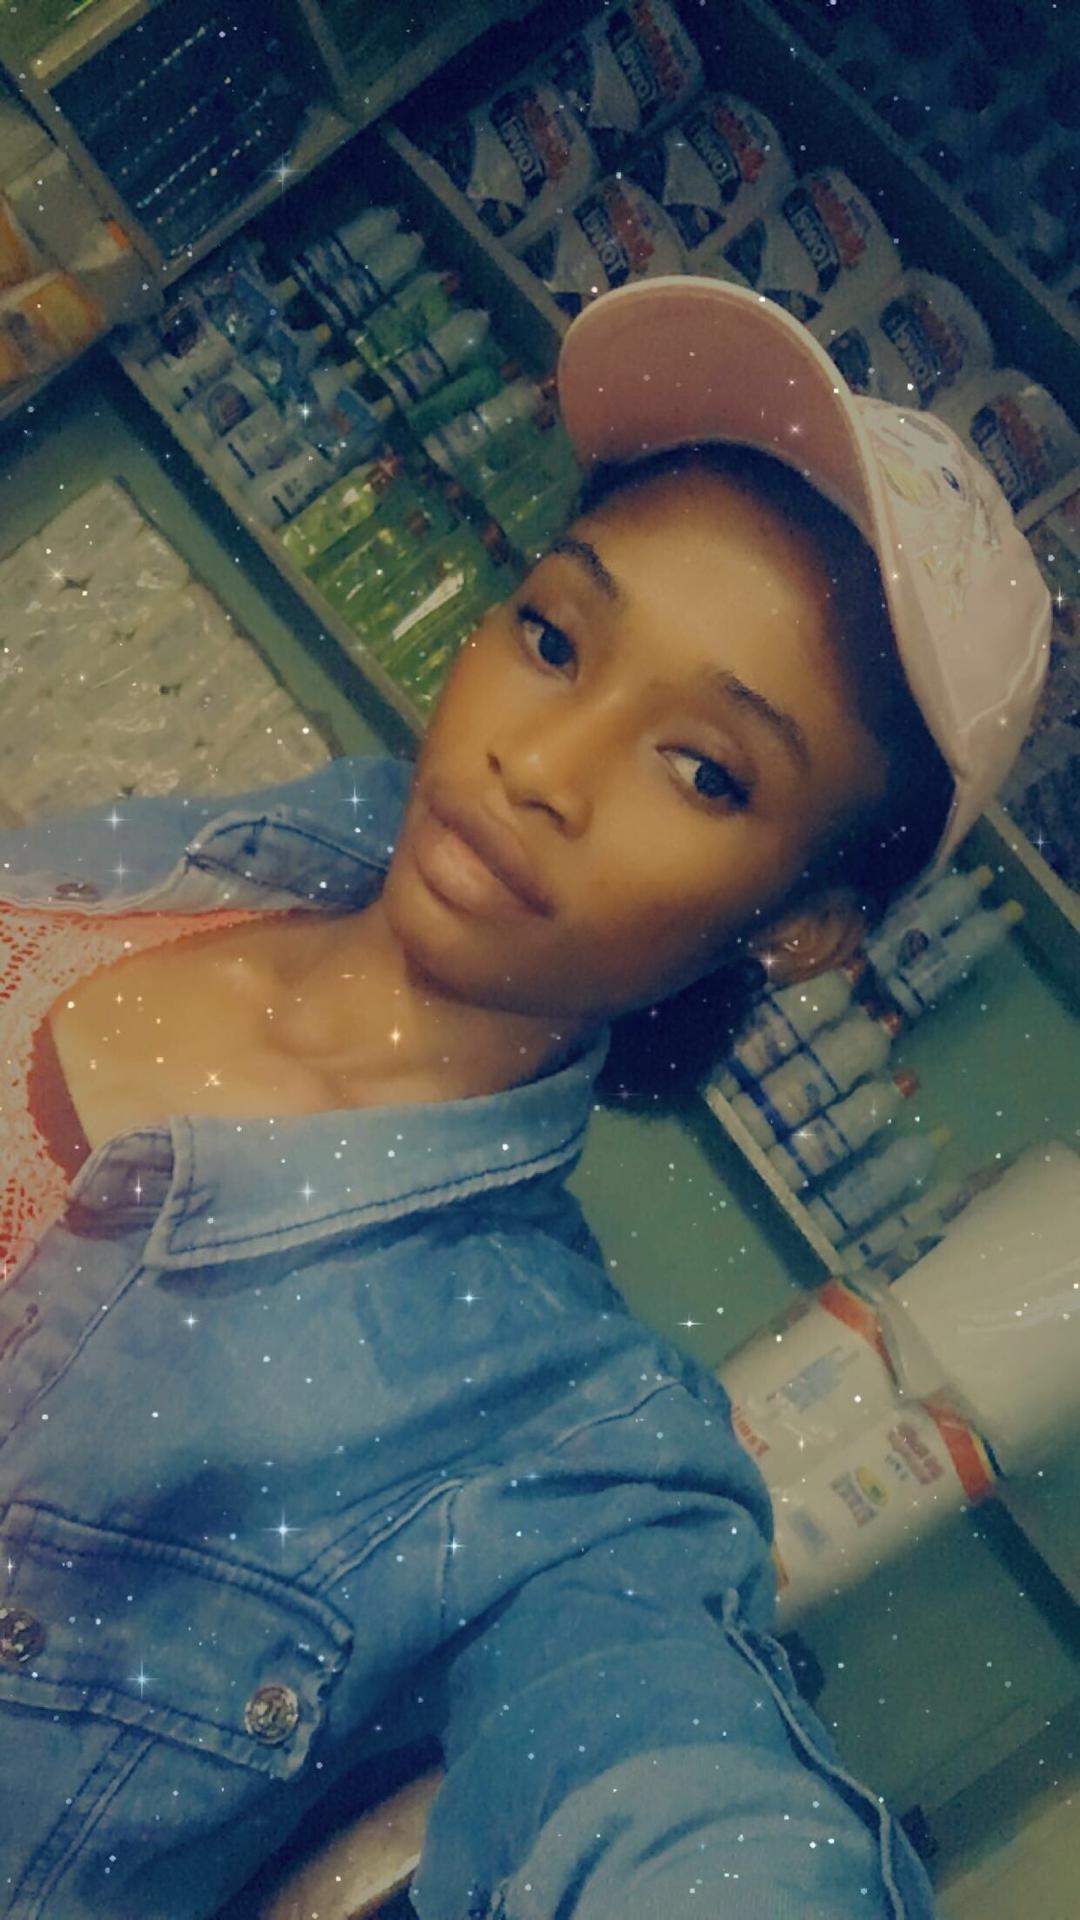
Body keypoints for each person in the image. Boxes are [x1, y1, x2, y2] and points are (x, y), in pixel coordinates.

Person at [0, 276, 1048, 1920]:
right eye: (555, 638)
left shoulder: (554, 1452)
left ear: (803, 921)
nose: (538, 766)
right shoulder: (238, 856)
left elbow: (673, 1785)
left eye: (705, 770)